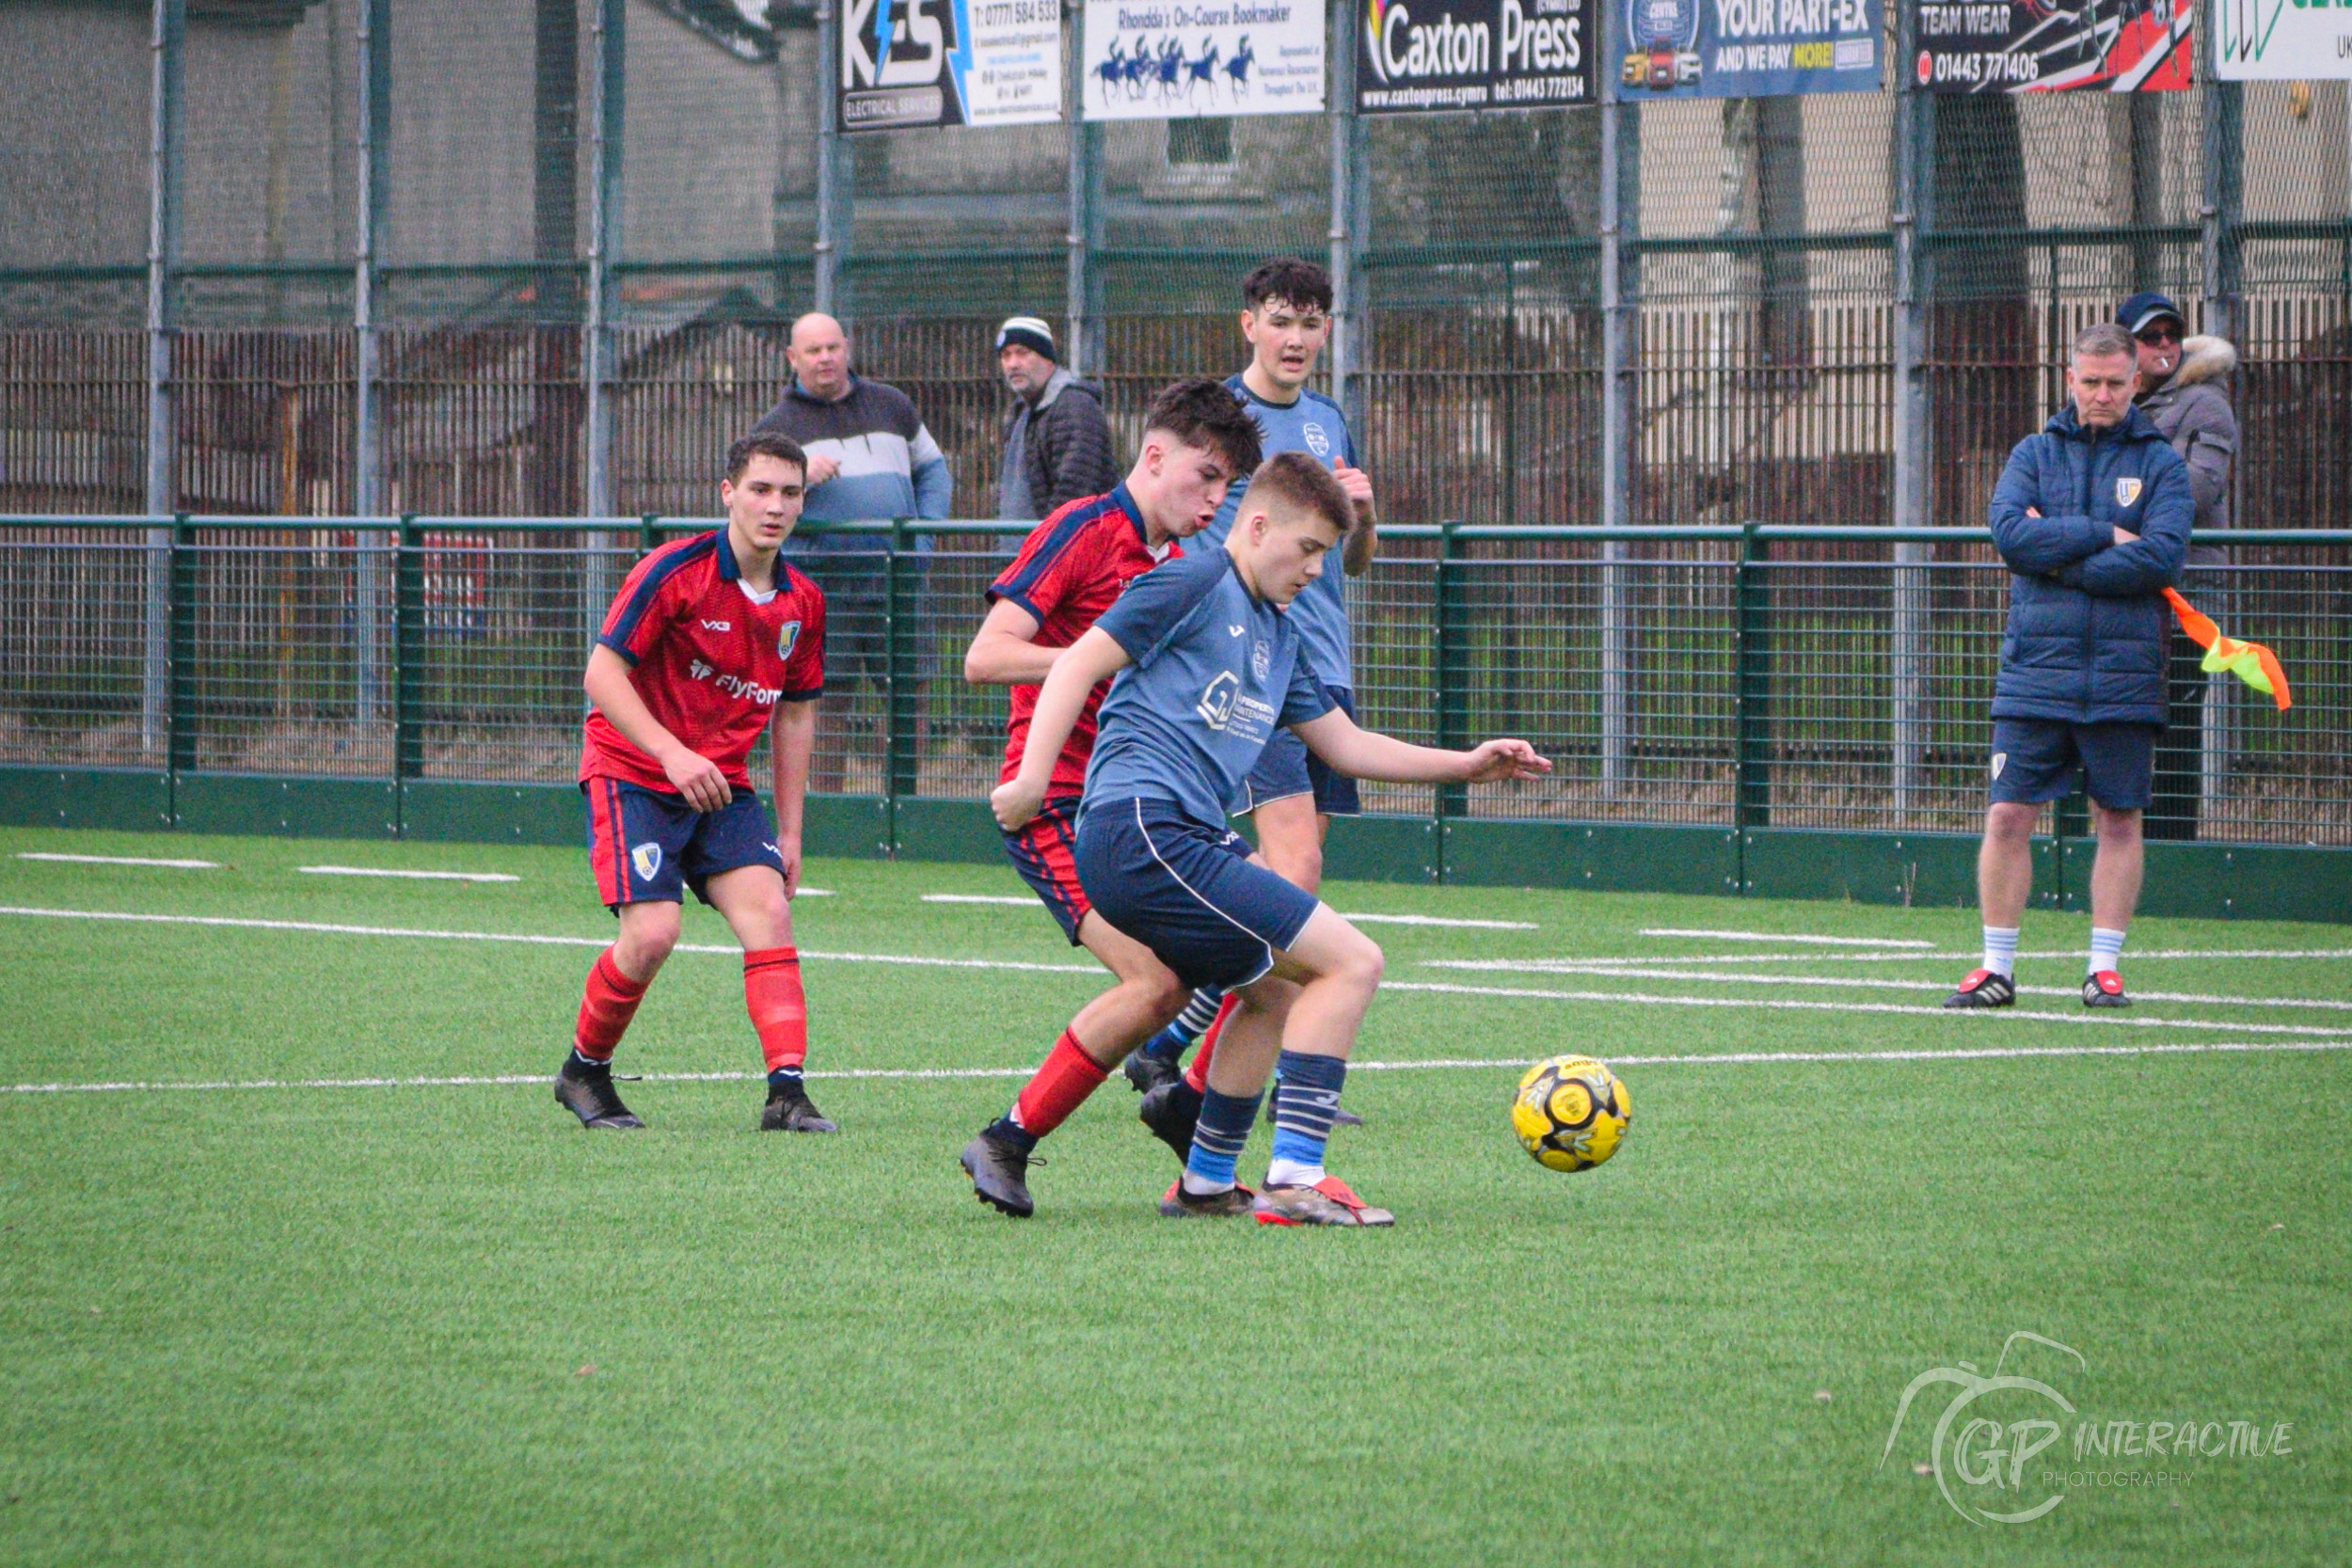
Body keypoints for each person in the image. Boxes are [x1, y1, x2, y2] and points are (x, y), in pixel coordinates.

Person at [972, 453, 1549, 1225]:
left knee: (1274, 989)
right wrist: (1034, 781)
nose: (1315, 570)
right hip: (1142, 828)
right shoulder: (1195, 580)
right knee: (1351, 961)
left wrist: (1467, 765)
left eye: (1326, 557)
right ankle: (1294, 1177)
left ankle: (1206, 1181)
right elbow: (1077, 660)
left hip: (1179, 837)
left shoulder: (1280, 638)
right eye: (1307, 549)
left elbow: (1344, 744)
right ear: (1257, 525)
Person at [955, 378, 1263, 1218]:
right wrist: (1097, 655)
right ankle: (1007, 1139)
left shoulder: (1190, 567)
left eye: (1226, 489)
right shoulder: (1083, 530)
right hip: (1055, 801)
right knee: (1153, 982)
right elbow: (987, 655)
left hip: (1144, 808)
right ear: (1154, 455)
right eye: (1204, 477)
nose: (1214, 500)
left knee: (1269, 932)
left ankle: (1187, 1099)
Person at [1123, 258, 1379, 1126]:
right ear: (1249, 325)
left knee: (1301, 881)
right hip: (1256, 677)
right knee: (1294, 875)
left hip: (1322, 674)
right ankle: (1266, 1077)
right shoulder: (1228, 425)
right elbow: (1203, 534)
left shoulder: (1328, 417)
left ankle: (1177, 1052)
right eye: (1281, 320)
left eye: (1312, 323)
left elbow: (1351, 556)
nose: (1297, 338)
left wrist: (1364, 513)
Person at [560, 432, 835, 1133]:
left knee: (769, 910)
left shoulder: (803, 601)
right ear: (728, 493)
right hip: (633, 771)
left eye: (790, 493)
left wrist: (792, 829)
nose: (774, 506)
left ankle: (787, 1094)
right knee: (653, 933)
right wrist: (672, 753)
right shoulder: (673, 571)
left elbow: (796, 715)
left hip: (723, 787)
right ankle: (583, 1070)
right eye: (760, 489)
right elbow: (601, 676)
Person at [1945, 324, 2191, 1014]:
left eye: (2116, 383)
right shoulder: (2033, 453)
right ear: (2069, 377)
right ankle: (1995, 969)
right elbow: (2009, 535)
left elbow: (2161, 557)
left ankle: (2103, 969)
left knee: (2118, 819)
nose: (2103, 394)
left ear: (2136, 382)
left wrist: (2056, 553)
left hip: (2124, 672)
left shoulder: (2162, 464)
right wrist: (2103, 533)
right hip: (2035, 670)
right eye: (2091, 381)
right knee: (2006, 817)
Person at [750, 311, 950, 795]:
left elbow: (935, 471)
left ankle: (902, 807)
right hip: (820, 588)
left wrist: (920, 542)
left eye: (832, 347)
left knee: (907, 694)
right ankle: (825, 814)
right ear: (792, 359)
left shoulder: (893, 405)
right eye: (813, 351)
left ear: (847, 347)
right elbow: (757, 508)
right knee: (823, 700)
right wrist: (799, 478)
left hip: (897, 580)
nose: (825, 359)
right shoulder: (776, 430)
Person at [2120, 291, 2240, 842]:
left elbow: (2200, 487)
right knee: (2120, 721)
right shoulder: (2116, 399)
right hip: (2124, 586)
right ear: (2129, 347)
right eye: (2151, 337)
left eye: (2171, 334)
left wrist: (2116, 504)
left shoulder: (2205, 402)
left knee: (2175, 724)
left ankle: (2171, 848)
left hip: (2187, 591)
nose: (2165, 344)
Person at [994, 315, 1120, 522]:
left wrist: (1049, 545)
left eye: (1023, 353)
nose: (1012, 364)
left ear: (1048, 358)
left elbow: (1075, 488)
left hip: (1066, 547)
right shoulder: (1021, 414)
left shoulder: (1075, 406)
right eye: (1005, 356)